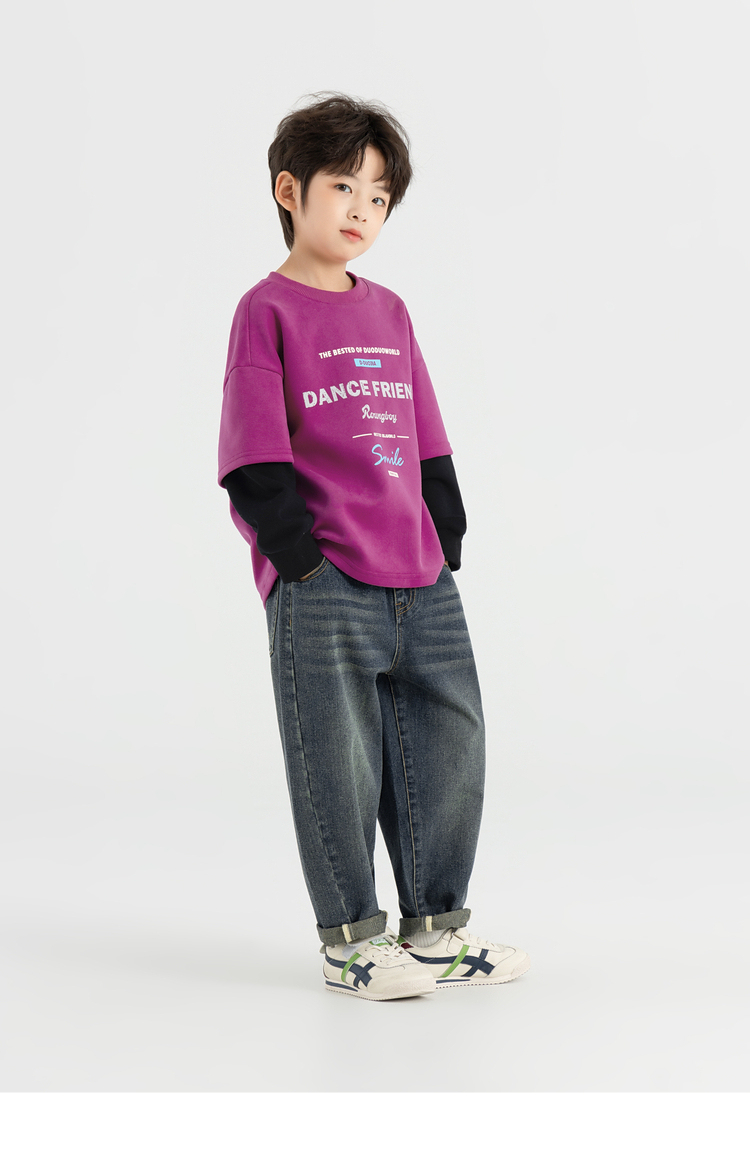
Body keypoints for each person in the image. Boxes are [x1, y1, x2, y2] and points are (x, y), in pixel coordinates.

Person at [217, 91, 530, 1000]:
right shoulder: (266, 310)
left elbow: (425, 426)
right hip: (325, 572)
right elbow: (250, 453)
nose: (363, 209)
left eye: (381, 196)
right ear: (290, 190)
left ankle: (435, 928)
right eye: (344, 186)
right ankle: (351, 940)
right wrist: (299, 558)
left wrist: (445, 530)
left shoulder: (389, 310)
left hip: (419, 570)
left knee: (451, 738)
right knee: (336, 756)